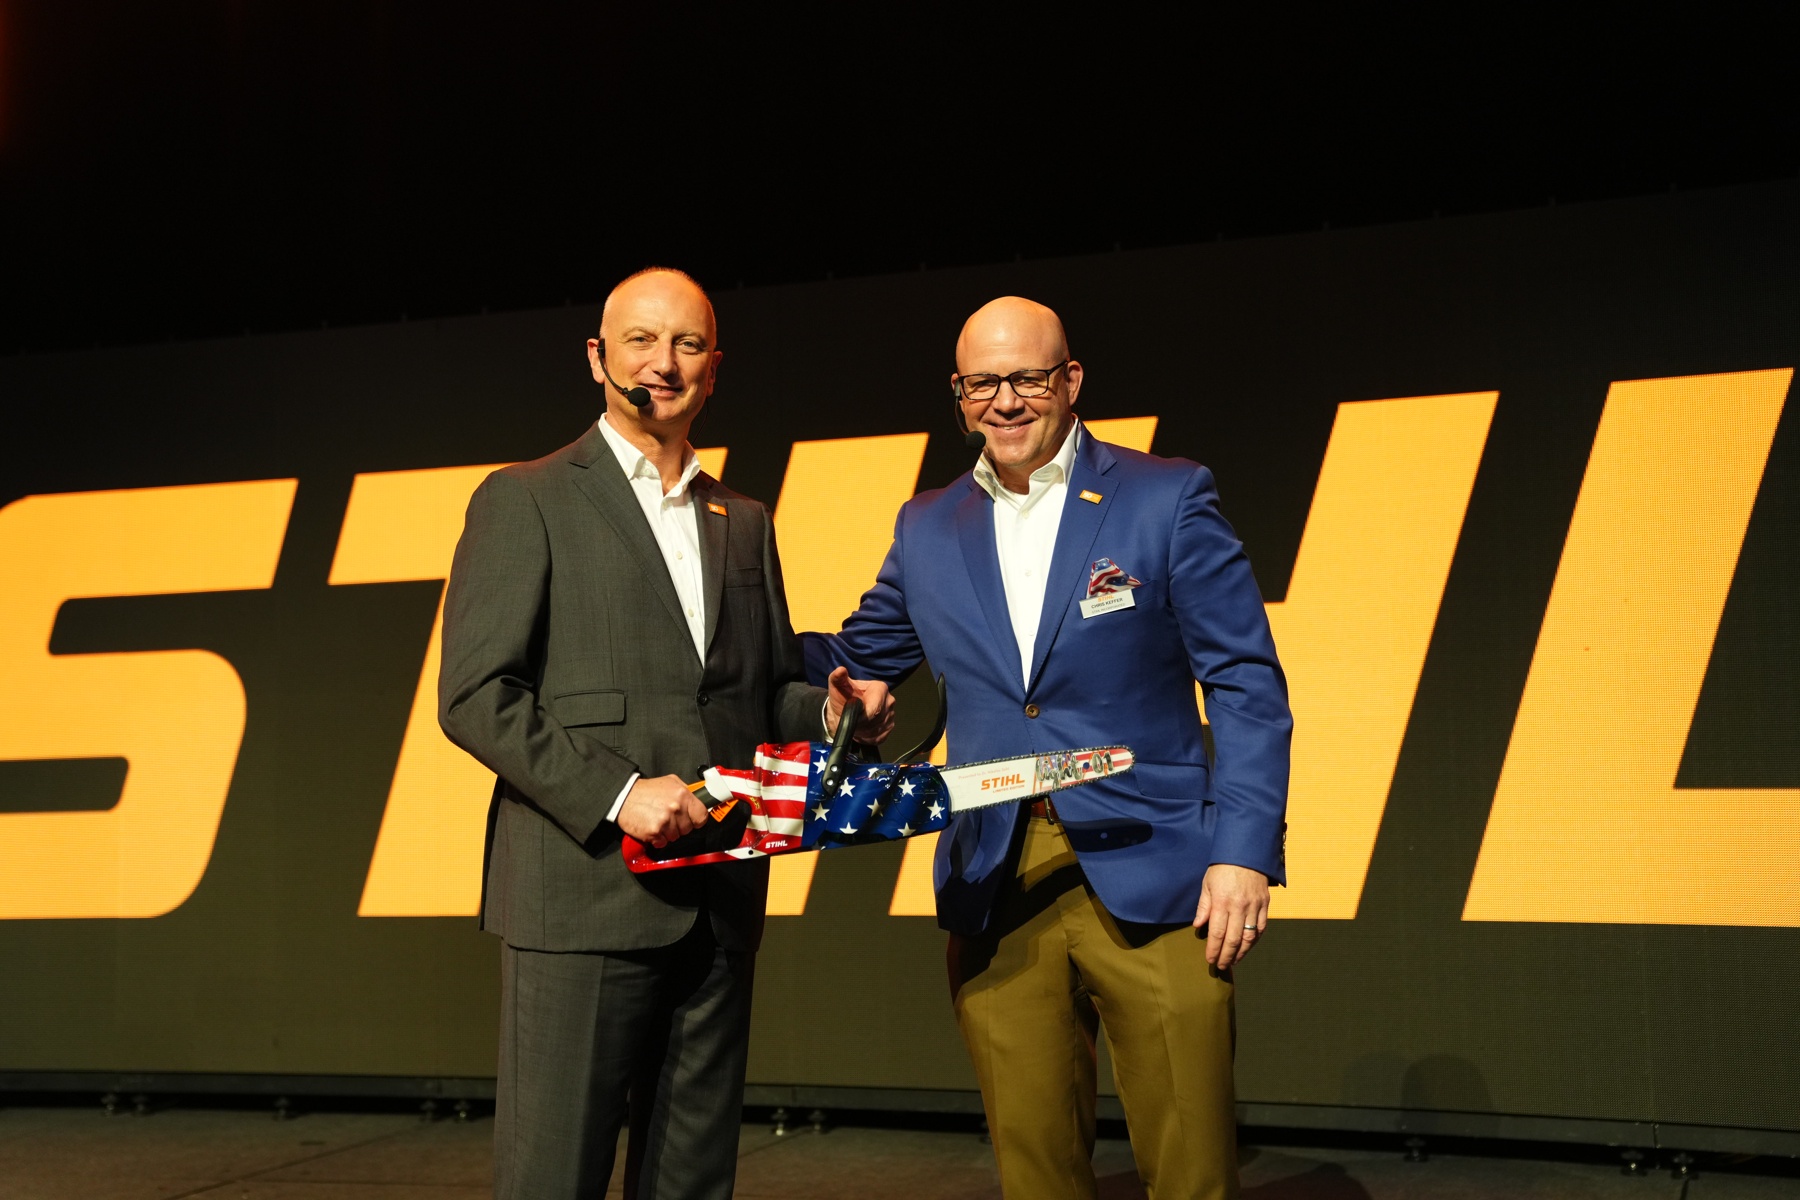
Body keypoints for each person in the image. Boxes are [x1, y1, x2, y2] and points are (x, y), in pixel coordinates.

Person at [805, 296, 1291, 1200]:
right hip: (996, 879)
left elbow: (1247, 684)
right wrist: (732, 646)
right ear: (958, 394)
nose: (1005, 400)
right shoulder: (927, 525)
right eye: (981, 383)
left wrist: (1243, 853)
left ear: (1070, 381)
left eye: (1027, 377)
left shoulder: (1166, 496)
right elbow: (858, 661)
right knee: (1034, 1176)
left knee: (1193, 1174)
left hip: (1162, 875)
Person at [438, 267, 892, 1200]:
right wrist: (619, 793)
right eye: (641, 341)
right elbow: (477, 693)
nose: (664, 363)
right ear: (598, 359)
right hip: (583, 897)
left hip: (719, 900)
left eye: (687, 345)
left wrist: (833, 714)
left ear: (714, 369)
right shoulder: (525, 498)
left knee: (692, 1181)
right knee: (551, 1178)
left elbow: (759, 696)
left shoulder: (744, 520)